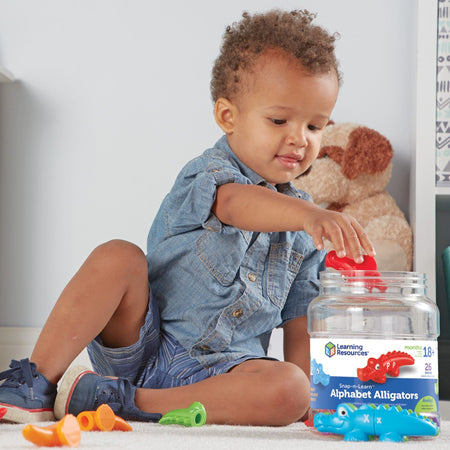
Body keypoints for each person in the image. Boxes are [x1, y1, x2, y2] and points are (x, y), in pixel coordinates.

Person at [0, 9, 374, 426]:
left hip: (222, 375)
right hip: (143, 341)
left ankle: (121, 402)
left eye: (315, 126)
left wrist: (310, 400)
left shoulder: (304, 235)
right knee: (118, 255)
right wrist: (308, 214)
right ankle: (33, 382)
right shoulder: (209, 175)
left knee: (292, 388)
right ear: (228, 116)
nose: (299, 139)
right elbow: (234, 205)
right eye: (279, 120)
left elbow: (300, 319)